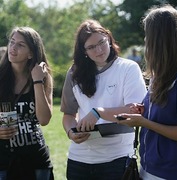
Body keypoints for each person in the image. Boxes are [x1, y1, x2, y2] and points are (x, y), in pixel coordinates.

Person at [60, 19, 147, 180]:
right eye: (91, 47)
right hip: (78, 161)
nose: (99, 50)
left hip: (117, 159)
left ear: (109, 39)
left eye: (102, 42)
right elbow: (68, 115)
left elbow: (135, 110)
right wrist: (71, 133)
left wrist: (99, 113)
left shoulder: (128, 68)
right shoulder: (74, 73)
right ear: (83, 51)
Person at [115, 4, 177, 180]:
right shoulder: (157, 77)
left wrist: (144, 122)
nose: (145, 41)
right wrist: (143, 111)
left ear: (159, 39)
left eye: (147, 35)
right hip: (148, 169)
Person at [0, 27, 54, 180]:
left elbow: (44, 120)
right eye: (12, 42)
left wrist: (37, 81)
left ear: (31, 53)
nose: (13, 47)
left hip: (37, 160)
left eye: (20, 45)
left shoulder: (43, 77)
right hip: (4, 161)